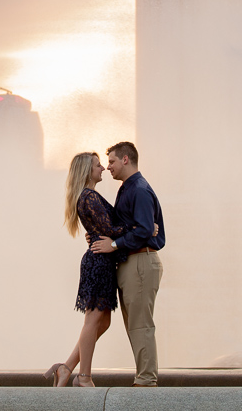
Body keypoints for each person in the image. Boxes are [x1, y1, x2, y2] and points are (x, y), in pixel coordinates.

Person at [45, 151, 149, 388]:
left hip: (102, 260)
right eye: (98, 165)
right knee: (93, 321)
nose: (103, 168)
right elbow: (110, 229)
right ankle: (84, 377)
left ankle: (66, 368)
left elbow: (106, 228)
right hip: (99, 262)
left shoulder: (89, 196)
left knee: (102, 322)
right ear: (87, 171)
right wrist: (142, 228)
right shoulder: (89, 197)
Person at [90, 141, 165, 387]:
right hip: (132, 263)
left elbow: (145, 230)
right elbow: (136, 226)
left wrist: (113, 244)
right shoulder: (127, 189)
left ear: (125, 159)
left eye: (111, 161)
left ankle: (146, 380)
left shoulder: (139, 190)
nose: (108, 166)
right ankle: (143, 377)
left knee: (141, 325)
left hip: (140, 262)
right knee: (135, 325)